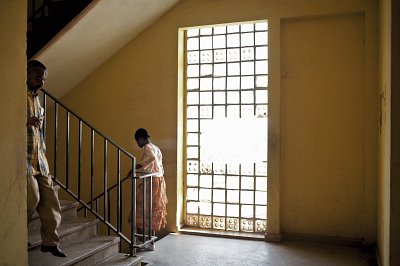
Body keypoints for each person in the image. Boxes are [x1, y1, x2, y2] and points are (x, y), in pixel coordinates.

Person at [26, 60, 66, 257]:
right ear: (26, 74)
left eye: (44, 79)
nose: (42, 82)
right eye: (38, 77)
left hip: (39, 159)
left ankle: (50, 242)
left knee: (51, 201)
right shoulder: (16, 95)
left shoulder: (37, 98)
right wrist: (24, 122)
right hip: (23, 159)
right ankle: (18, 234)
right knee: (32, 198)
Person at [128, 128, 168, 237]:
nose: (137, 143)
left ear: (140, 139)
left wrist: (135, 167)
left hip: (152, 182)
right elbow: (155, 166)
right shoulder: (156, 148)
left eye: (137, 141)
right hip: (158, 181)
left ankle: (142, 240)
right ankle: (149, 240)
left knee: (140, 211)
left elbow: (151, 158)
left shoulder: (148, 148)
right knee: (151, 211)